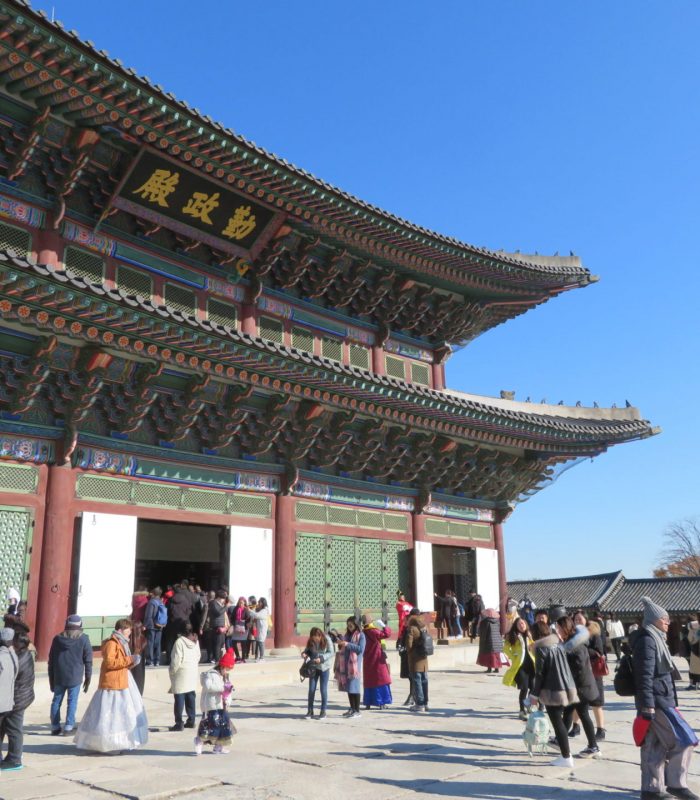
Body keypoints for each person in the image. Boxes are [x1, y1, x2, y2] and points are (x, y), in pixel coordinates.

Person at [632, 596, 699, 800]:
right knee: (684, 739)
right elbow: (644, 675)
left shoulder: (655, 638)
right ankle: (675, 784)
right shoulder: (648, 641)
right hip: (657, 701)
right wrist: (648, 706)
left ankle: (651, 789)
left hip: (660, 699)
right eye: (664, 619)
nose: (668, 623)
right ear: (653, 620)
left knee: (654, 744)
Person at [74, 618, 148, 753]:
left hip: (122, 680)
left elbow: (122, 663)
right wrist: (130, 659)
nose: (130, 632)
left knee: (122, 715)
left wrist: (132, 661)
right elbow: (110, 662)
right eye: (128, 629)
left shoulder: (122, 643)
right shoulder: (112, 644)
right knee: (111, 715)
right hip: (112, 683)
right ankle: (108, 743)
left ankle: (120, 742)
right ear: (121, 630)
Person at [530, 620, 579, 768]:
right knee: (561, 722)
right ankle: (565, 755)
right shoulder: (558, 644)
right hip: (567, 686)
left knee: (558, 724)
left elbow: (540, 674)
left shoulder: (541, 648)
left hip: (552, 689)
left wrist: (534, 695)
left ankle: (566, 756)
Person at [556, 615, 601, 759]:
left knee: (583, 714)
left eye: (559, 628)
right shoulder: (571, 643)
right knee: (568, 712)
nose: (557, 631)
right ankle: (560, 740)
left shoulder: (574, 647)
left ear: (566, 629)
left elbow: (579, 669)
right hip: (580, 687)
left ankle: (593, 746)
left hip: (581, 688)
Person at [47, 615, 93, 736]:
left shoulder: (57, 639)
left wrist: (51, 679)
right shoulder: (84, 639)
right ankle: (68, 727)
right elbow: (88, 660)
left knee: (56, 701)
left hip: (59, 675)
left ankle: (55, 726)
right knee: (72, 701)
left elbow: (51, 660)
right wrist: (88, 678)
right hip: (75, 676)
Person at [0, 630, 34, 771]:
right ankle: (12, 758)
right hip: (16, 697)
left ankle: (14, 759)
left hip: (17, 698)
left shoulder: (14, 656)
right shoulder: (20, 655)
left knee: (14, 729)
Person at [195, 647, 235, 755]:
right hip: (211, 705)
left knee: (223, 727)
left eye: (228, 670)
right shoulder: (211, 674)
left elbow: (228, 691)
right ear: (221, 666)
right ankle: (199, 741)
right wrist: (222, 689)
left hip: (221, 705)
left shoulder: (225, 677)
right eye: (226, 669)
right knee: (209, 726)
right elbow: (208, 686)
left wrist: (228, 698)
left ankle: (219, 746)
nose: (226, 672)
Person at [169, 623, 201, 731]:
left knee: (179, 698)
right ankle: (191, 720)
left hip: (181, 672)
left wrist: (172, 671)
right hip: (192, 671)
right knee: (191, 696)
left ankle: (179, 723)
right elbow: (198, 656)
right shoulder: (196, 640)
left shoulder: (179, 642)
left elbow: (176, 659)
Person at [503, 617, 535, 720]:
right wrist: (513, 656)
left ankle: (529, 705)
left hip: (531, 665)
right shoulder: (513, 636)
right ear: (516, 626)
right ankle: (522, 711)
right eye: (519, 624)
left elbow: (533, 646)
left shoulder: (529, 635)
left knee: (534, 688)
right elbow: (506, 648)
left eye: (523, 623)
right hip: (520, 667)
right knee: (524, 689)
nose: (522, 625)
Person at [335, 617, 366, 718]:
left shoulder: (361, 635)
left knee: (355, 688)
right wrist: (340, 642)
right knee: (349, 688)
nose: (349, 627)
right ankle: (352, 708)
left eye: (351, 625)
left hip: (354, 667)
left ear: (356, 625)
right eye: (348, 625)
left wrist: (348, 644)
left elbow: (360, 649)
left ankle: (357, 710)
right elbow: (343, 646)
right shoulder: (347, 635)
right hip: (346, 666)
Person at [301, 627, 334, 719]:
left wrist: (321, 658)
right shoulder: (311, 641)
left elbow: (331, 652)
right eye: (313, 636)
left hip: (324, 668)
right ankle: (310, 711)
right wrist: (304, 653)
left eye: (317, 636)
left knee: (323, 690)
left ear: (320, 635)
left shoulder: (327, 639)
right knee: (311, 689)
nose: (315, 639)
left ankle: (323, 711)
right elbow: (307, 650)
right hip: (313, 668)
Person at [361, 615, 392, 710]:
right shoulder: (373, 631)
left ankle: (368, 702)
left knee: (369, 680)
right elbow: (386, 634)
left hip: (367, 659)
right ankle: (381, 702)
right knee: (381, 679)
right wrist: (384, 626)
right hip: (377, 659)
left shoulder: (363, 632)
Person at [405, 608, 429, 713]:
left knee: (417, 681)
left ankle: (419, 704)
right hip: (424, 658)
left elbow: (409, 645)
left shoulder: (412, 628)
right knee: (424, 681)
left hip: (415, 658)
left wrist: (409, 651)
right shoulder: (424, 627)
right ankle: (425, 702)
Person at [202, 590, 228, 664]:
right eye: (223, 598)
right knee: (217, 644)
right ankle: (217, 660)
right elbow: (218, 613)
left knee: (221, 643)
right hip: (216, 626)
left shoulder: (220, 604)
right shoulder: (213, 603)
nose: (224, 600)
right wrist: (226, 606)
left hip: (221, 626)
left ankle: (217, 658)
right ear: (220, 598)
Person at [143, 587, 166, 667]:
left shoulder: (151, 602)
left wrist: (145, 625)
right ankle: (157, 661)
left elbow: (148, 615)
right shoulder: (161, 602)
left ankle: (150, 661)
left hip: (151, 625)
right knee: (158, 643)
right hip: (160, 625)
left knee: (150, 643)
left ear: (153, 593)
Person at [477, 608, 504, 674]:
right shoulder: (497, 621)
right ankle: (496, 669)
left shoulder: (485, 622)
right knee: (496, 656)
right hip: (497, 641)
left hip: (489, 641)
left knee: (489, 656)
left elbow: (483, 632)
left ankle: (489, 669)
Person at [228, 597, 250, 663]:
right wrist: (234, 623)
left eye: (242, 603)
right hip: (236, 627)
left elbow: (248, 618)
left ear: (244, 603)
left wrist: (244, 622)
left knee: (243, 643)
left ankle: (243, 658)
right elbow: (232, 617)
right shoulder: (235, 609)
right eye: (239, 602)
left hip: (244, 628)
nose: (240, 604)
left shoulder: (246, 610)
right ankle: (237, 656)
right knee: (234, 642)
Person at [129, 620, 146, 696]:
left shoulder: (127, 641)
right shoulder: (143, 640)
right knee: (139, 684)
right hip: (140, 668)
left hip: (129, 666)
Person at [250, 598, 271, 662]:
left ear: (263, 603)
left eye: (259, 602)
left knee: (261, 642)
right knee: (258, 642)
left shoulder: (265, 610)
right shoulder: (260, 609)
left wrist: (250, 610)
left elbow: (257, 615)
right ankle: (257, 657)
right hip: (259, 628)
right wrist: (253, 609)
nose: (258, 603)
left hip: (262, 628)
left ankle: (262, 657)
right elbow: (252, 615)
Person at [686, 619, 700, 691]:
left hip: (695, 651)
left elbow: (690, 638)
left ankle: (693, 684)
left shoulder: (693, 627)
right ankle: (694, 684)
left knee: (693, 669)